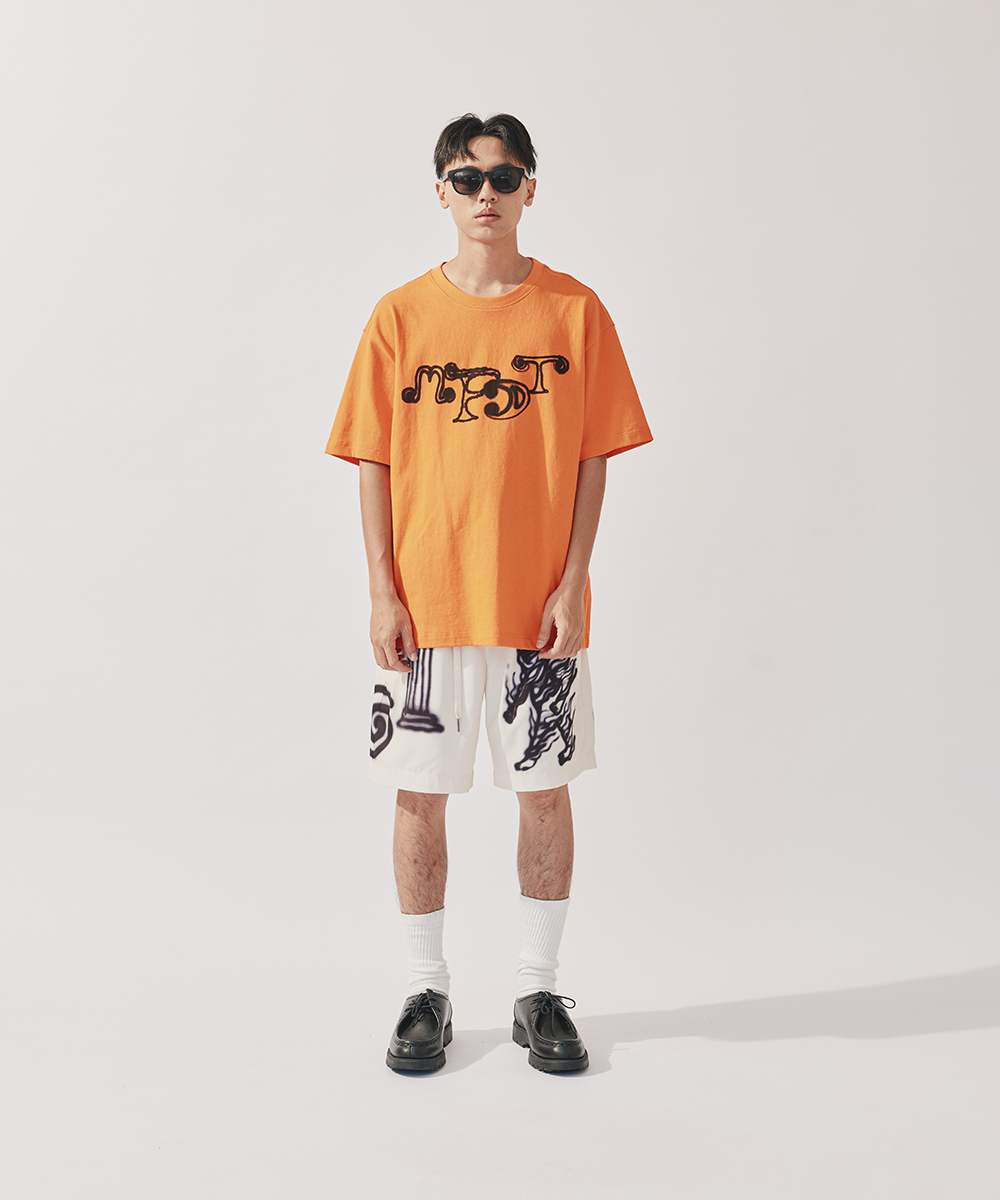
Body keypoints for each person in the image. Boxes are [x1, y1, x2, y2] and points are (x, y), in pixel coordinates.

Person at [325, 112, 652, 1074]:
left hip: (537, 613)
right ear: (441, 192)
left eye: (504, 177)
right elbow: (373, 459)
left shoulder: (574, 312)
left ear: (530, 189)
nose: (485, 194)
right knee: (418, 798)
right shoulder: (399, 318)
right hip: (425, 611)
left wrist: (575, 579)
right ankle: (424, 991)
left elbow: (593, 456)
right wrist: (382, 592)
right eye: (466, 179)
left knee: (544, 795)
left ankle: (537, 990)